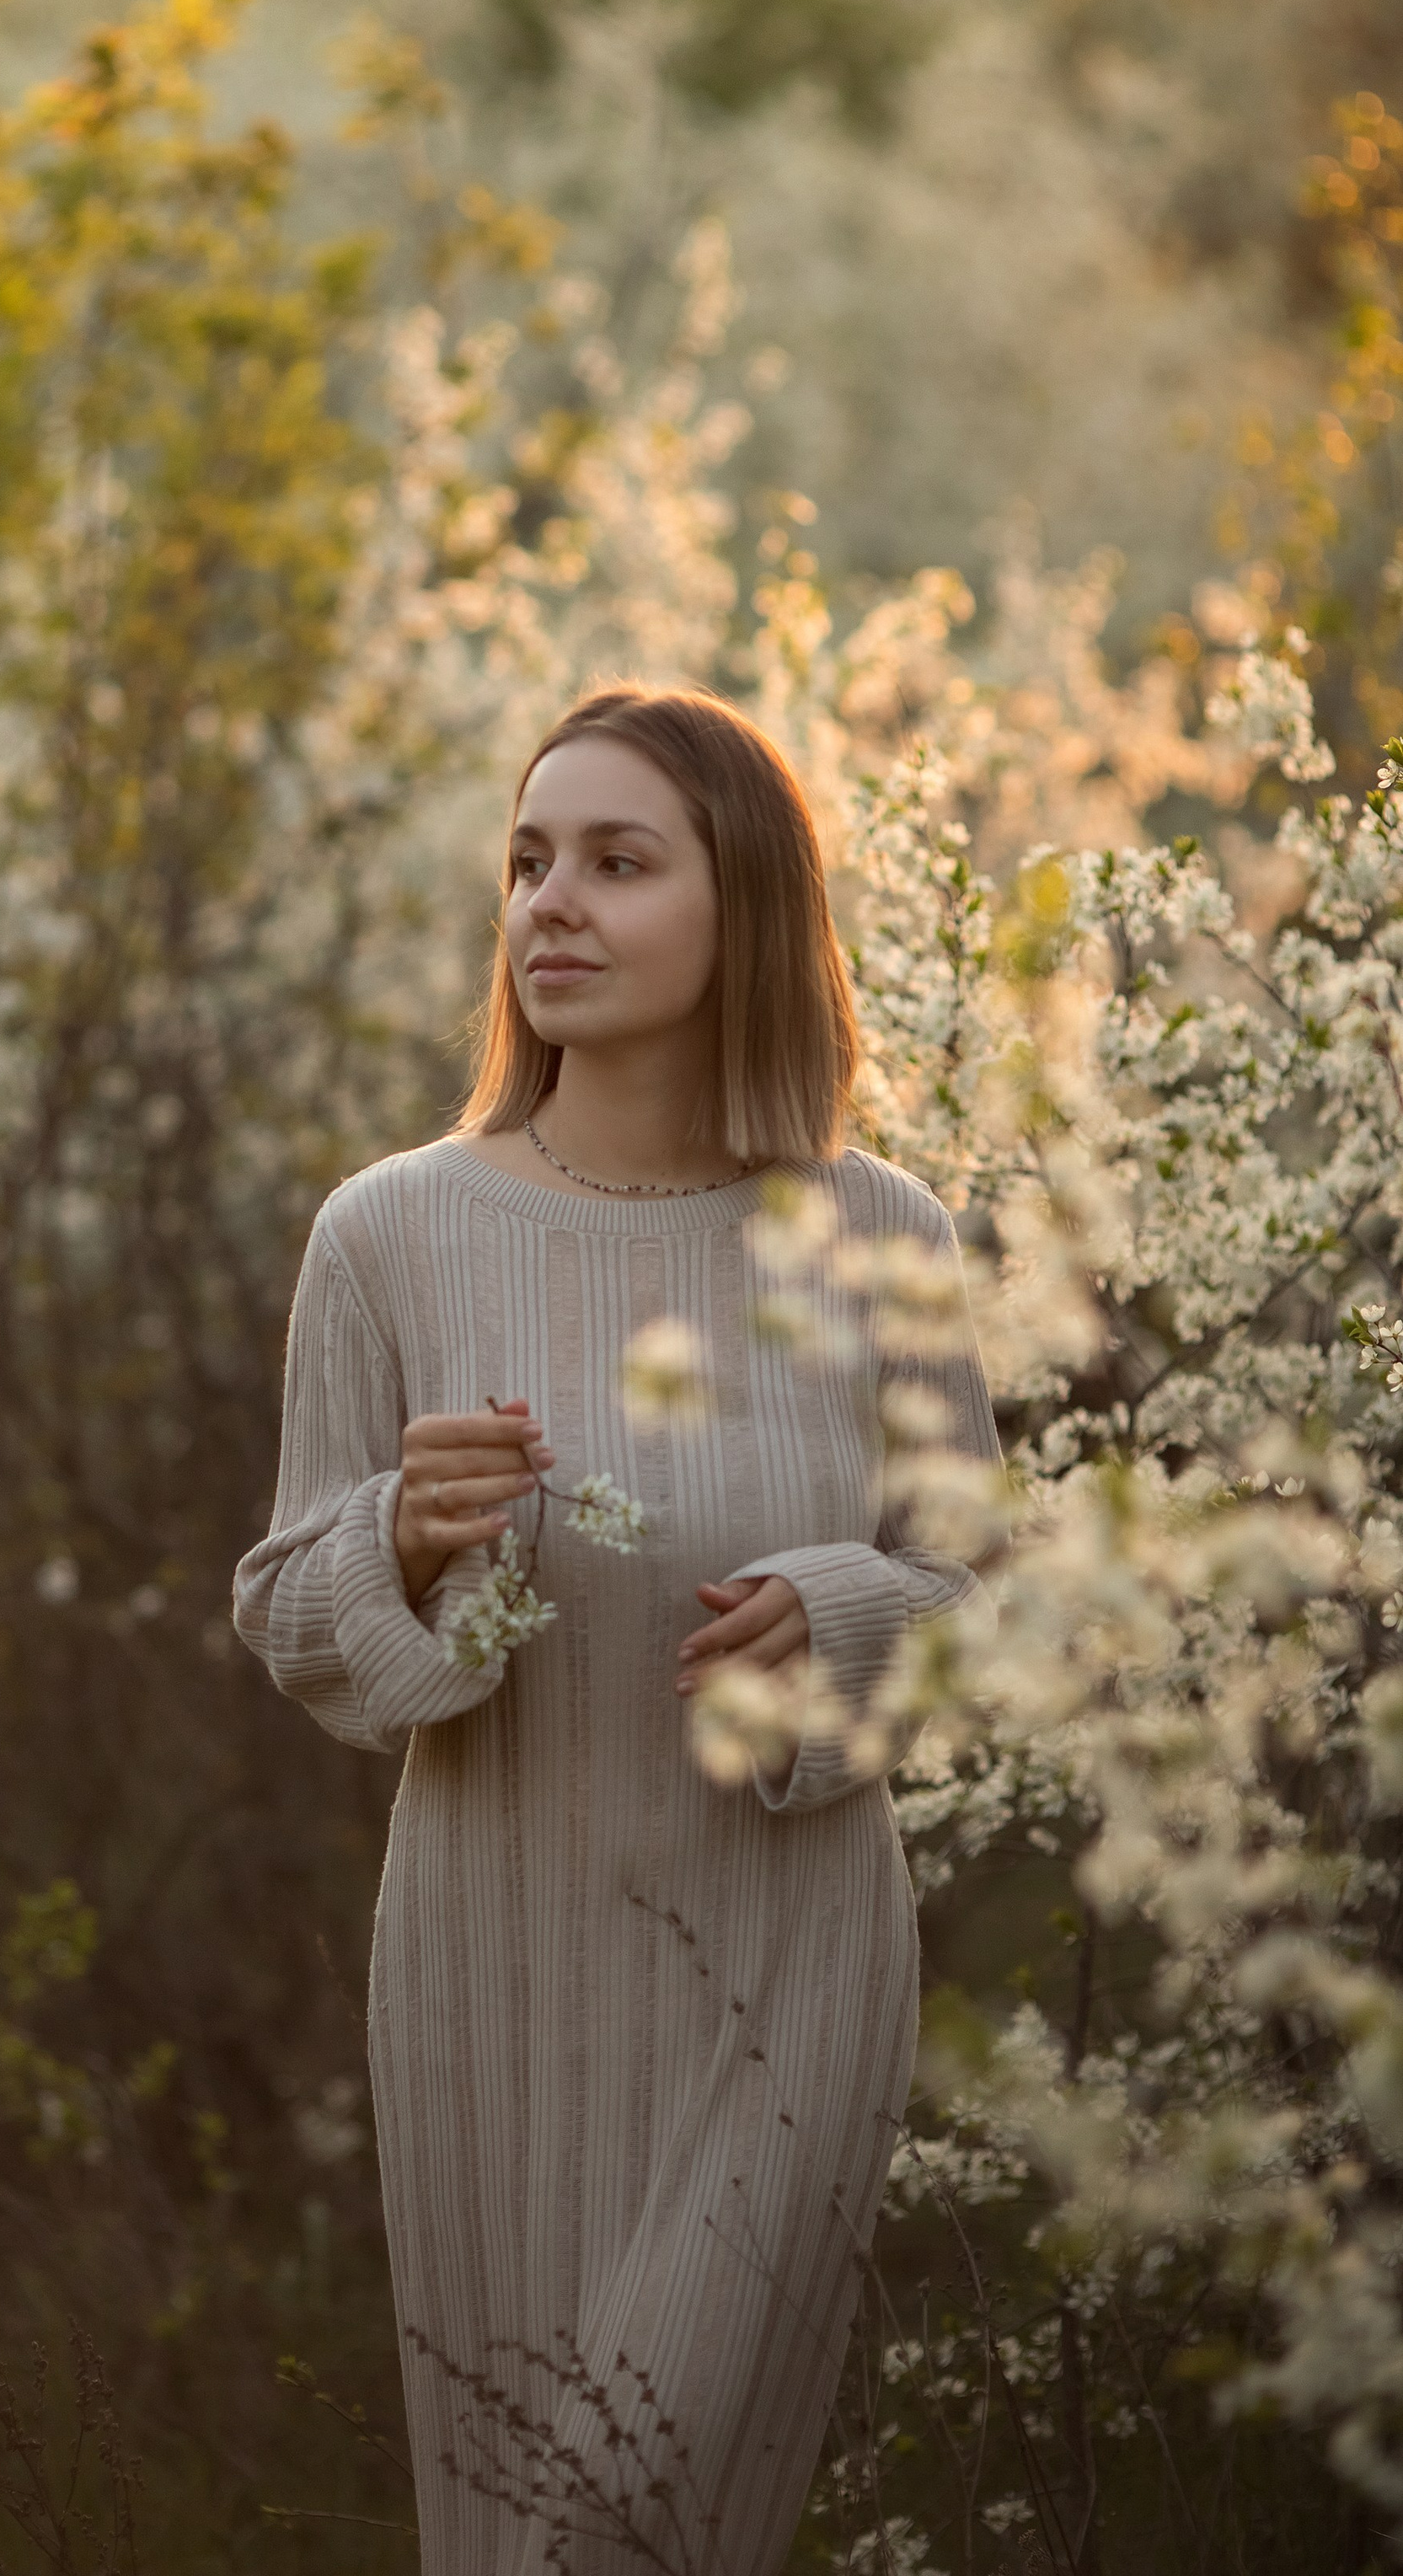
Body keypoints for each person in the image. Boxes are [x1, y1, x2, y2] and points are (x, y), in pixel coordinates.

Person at [233, 681, 999, 2574]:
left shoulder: (876, 1237)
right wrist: (404, 1546)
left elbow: (1002, 1612)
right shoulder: (388, 1232)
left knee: (631, 2523)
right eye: (526, 858)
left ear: (738, 906)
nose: (548, 902)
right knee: (509, 2530)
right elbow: (281, 1604)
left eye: (614, 860)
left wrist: (838, 1613)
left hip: (788, 1971)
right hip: (490, 1975)